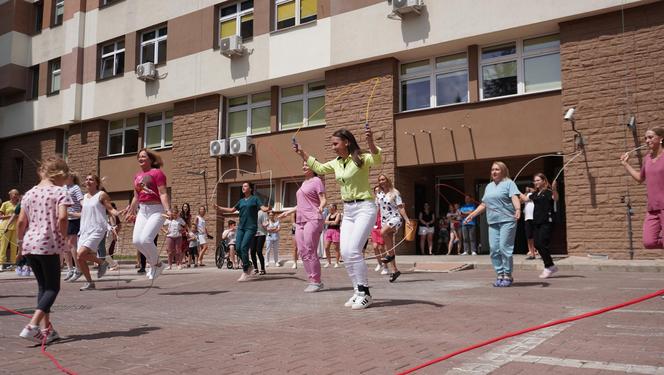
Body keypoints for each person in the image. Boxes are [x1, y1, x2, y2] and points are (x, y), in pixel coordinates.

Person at [295, 126, 381, 310]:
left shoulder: (361, 158)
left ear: (346, 142)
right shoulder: (336, 162)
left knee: (354, 250)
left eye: (335, 143)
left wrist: (371, 142)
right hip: (348, 210)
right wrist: (302, 153)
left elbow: (378, 158)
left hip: (365, 208)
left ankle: (365, 293)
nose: (333, 147)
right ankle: (357, 291)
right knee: (345, 252)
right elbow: (318, 167)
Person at [16, 156, 72, 344]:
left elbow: (22, 221)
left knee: (43, 286)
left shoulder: (29, 193)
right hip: (48, 244)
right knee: (53, 287)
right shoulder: (60, 192)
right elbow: (63, 218)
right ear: (61, 174)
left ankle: (47, 329)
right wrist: (64, 237)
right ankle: (32, 325)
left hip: (30, 243)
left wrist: (19, 241)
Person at [464, 161, 521, 287]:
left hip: (507, 220)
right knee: (494, 249)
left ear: (503, 171)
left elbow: (514, 197)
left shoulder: (509, 183)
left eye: (497, 169)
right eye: (492, 170)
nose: (494, 172)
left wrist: (517, 209)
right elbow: (484, 204)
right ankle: (499, 274)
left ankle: (507, 275)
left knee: (504, 248)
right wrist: (472, 215)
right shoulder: (488, 187)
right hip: (493, 221)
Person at [123, 149, 171, 281]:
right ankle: (157, 264)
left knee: (146, 239)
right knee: (137, 241)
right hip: (142, 210)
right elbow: (136, 197)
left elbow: (163, 193)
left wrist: (168, 210)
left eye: (144, 156)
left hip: (157, 209)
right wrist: (130, 210)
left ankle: (156, 264)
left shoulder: (157, 173)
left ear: (150, 159)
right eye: (139, 156)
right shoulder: (137, 176)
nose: (141, 158)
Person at [279, 161, 327, 292]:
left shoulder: (316, 180)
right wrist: (289, 211)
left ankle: (316, 281)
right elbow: (301, 204)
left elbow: (323, 198)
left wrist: (321, 206)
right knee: (302, 251)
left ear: (314, 167)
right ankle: (311, 279)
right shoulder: (303, 183)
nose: (304, 167)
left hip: (313, 218)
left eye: (307, 165)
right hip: (300, 220)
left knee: (310, 249)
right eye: (303, 165)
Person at [214, 182, 269, 282]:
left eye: (245, 186)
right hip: (241, 228)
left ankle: (245, 271)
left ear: (250, 189)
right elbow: (231, 210)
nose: (243, 187)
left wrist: (267, 208)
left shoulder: (255, 199)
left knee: (244, 247)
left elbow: (263, 208)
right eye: (242, 186)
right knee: (238, 248)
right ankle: (249, 264)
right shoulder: (241, 201)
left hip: (251, 228)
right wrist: (219, 208)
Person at [621, 127, 664, 250]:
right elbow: (640, 178)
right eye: (645, 138)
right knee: (649, 242)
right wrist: (626, 164)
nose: (647, 140)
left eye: (650, 137)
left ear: (661, 138)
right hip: (652, 209)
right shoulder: (647, 159)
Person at [76, 174, 119, 291]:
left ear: (96, 183)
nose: (88, 181)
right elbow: (85, 214)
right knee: (80, 258)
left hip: (97, 228)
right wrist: (69, 214)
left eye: (91, 179)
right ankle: (90, 282)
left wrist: (117, 213)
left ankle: (102, 263)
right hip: (84, 230)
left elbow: (110, 209)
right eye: (87, 179)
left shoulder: (101, 195)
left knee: (81, 254)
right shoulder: (84, 197)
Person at [521, 173, 559, 278]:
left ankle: (549, 266)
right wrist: (514, 191)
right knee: (537, 244)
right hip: (537, 222)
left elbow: (555, 198)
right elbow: (525, 199)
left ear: (543, 181)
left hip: (546, 221)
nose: (536, 182)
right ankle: (551, 266)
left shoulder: (548, 192)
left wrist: (554, 189)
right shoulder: (536, 193)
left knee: (542, 244)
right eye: (535, 181)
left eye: (538, 180)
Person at [376, 174, 411, 283]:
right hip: (384, 220)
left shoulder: (395, 193)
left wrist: (407, 220)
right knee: (389, 246)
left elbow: (400, 207)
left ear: (387, 180)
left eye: (383, 179)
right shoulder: (379, 194)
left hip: (395, 218)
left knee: (382, 233)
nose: (381, 181)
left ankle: (389, 256)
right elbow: (376, 208)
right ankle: (395, 270)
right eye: (380, 180)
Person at [64, 173, 83, 281]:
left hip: (74, 219)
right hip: (64, 219)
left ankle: (78, 269)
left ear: (71, 178)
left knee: (71, 244)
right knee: (65, 246)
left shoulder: (75, 188)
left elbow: (81, 201)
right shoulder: (63, 188)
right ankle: (70, 269)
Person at [0, 189, 20, 270]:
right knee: (3, 246)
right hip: (5, 227)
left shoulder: (19, 204)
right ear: (10, 195)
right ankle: (1, 263)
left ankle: (13, 264)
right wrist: (11, 216)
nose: (16, 195)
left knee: (14, 247)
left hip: (16, 227)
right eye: (14, 194)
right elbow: (1, 216)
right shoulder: (5, 204)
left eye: (17, 194)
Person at [323, 203, 342, 268]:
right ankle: (329, 262)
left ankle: (337, 262)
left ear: (334, 207)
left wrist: (329, 222)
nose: (329, 208)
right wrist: (331, 222)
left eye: (330, 207)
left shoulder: (338, 214)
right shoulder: (329, 214)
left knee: (336, 248)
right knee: (326, 247)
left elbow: (336, 222)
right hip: (329, 231)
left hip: (336, 231)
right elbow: (325, 222)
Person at [522, 186, 538, 260]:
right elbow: (520, 201)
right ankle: (531, 251)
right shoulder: (525, 195)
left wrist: (533, 191)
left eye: (529, 187)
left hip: (535, 217)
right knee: (529, 236)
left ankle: (537, 250)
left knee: (537, 235)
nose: (528, 188)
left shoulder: (537, 194)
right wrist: (525, 194)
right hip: (527, 217)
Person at [251, 209, 268, 275]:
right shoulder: (250, 212)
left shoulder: (262, 212)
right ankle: (255, 268)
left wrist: (265, 224)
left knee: (259, 251)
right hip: (252, 234)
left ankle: (263, 269)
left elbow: (266, 222)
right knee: (252, 251)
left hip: (261, 233)